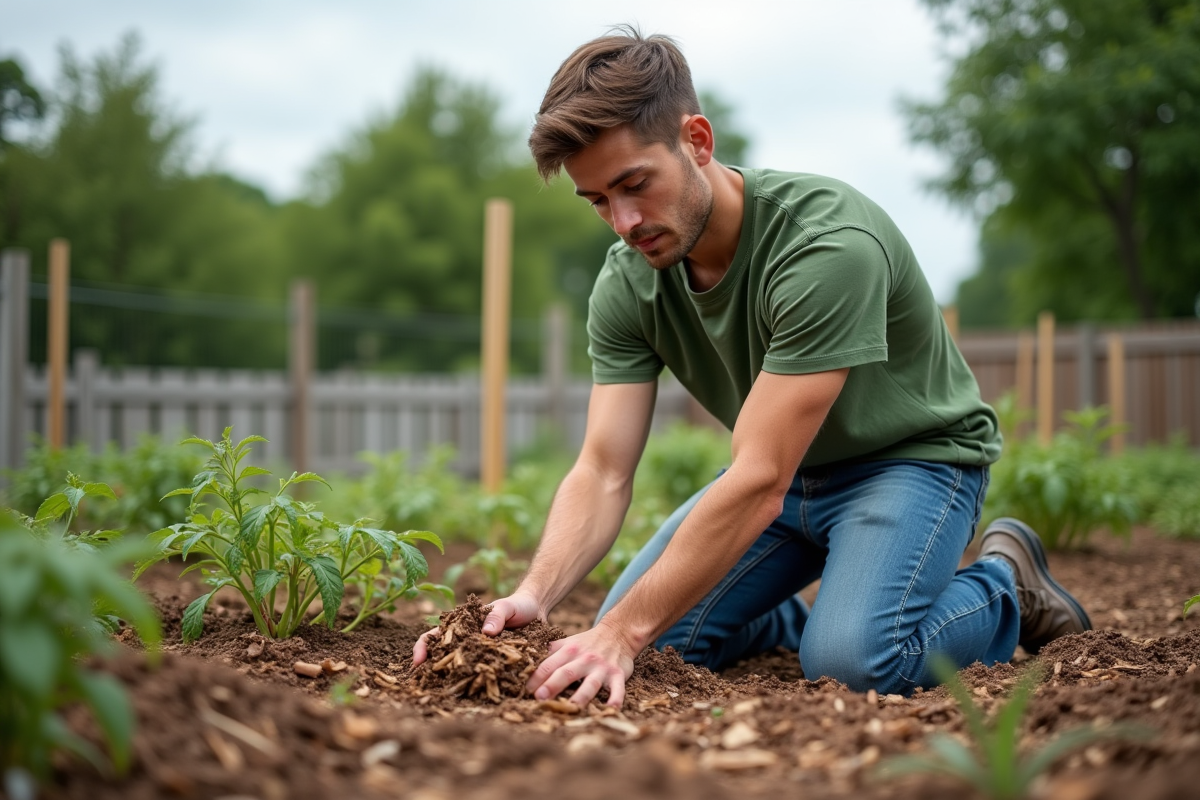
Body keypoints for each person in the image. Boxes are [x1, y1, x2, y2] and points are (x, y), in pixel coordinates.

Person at [413, 28, 1091, 708]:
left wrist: (621, 631)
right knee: (657, 646)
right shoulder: (628, 284)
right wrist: (537, 593)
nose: (623, 221)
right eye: (597, 201)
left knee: (857, 663)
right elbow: (603, 467)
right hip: (783, 478)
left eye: (634, 184)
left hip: (910, 462)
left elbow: (761, 475)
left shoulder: (825, 247)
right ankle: (799, 619)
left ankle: (1006, 584)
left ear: (698, 141)